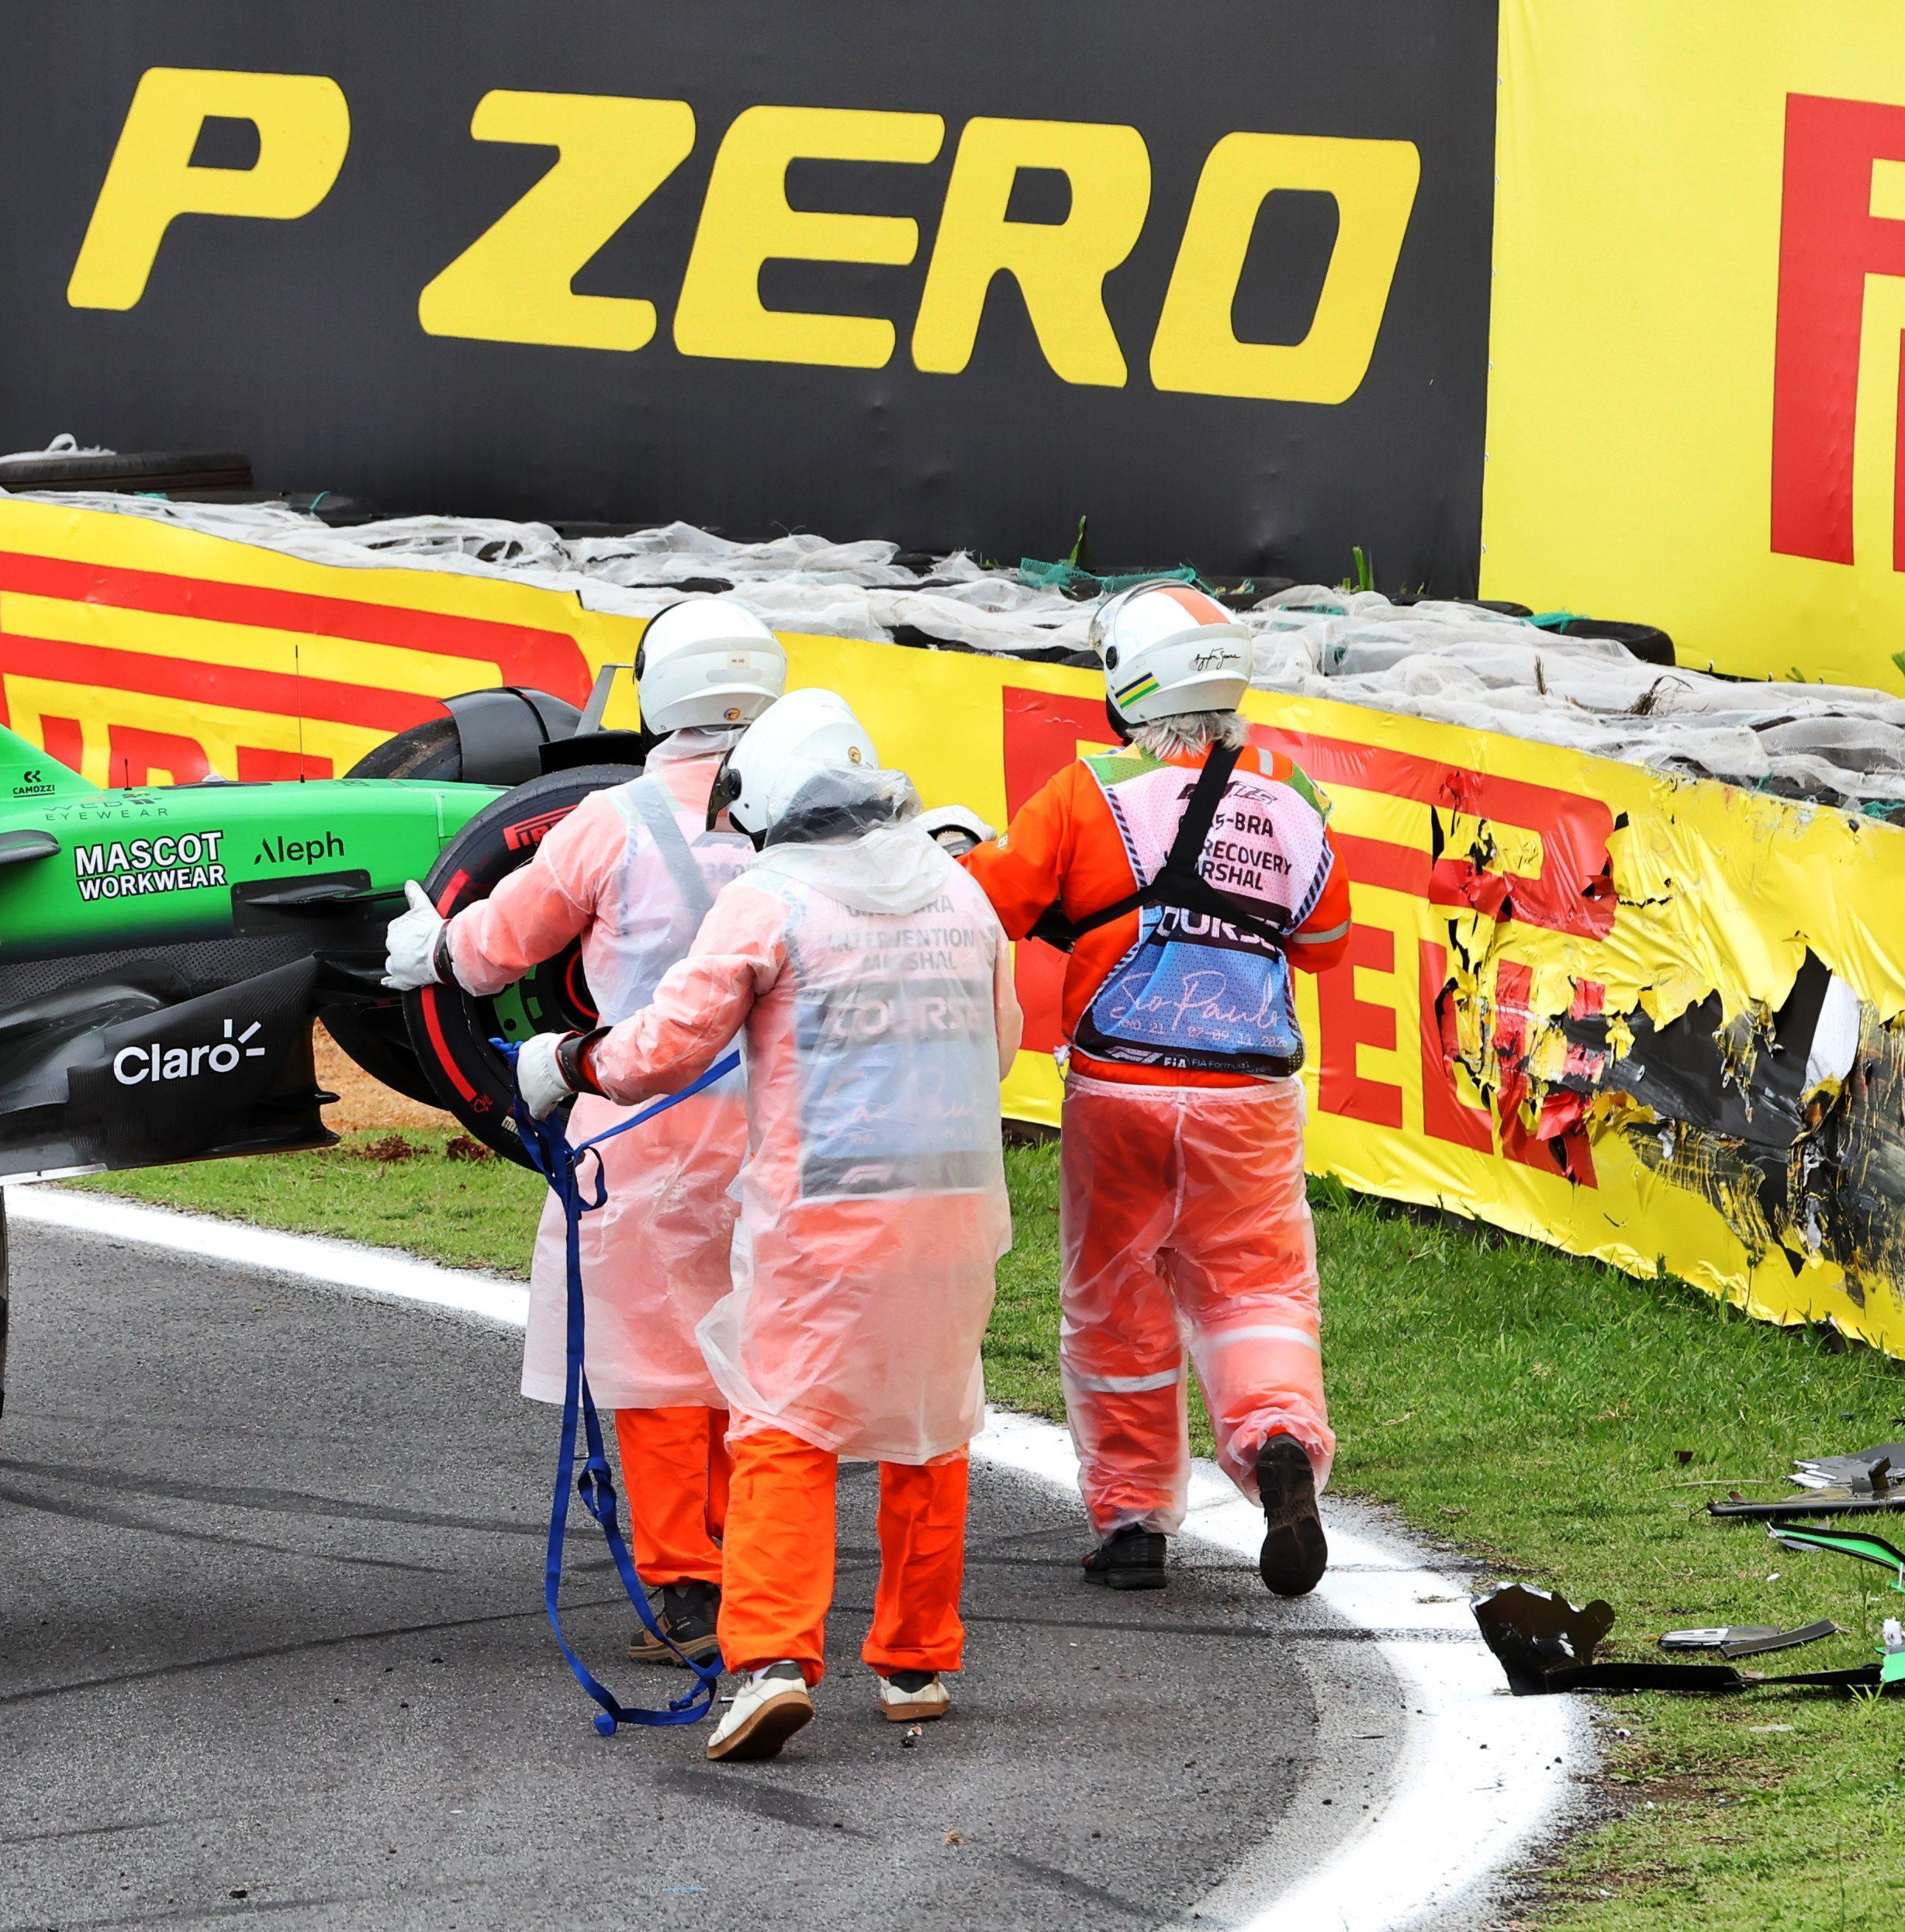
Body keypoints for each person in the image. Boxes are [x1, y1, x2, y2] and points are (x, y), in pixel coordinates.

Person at [515, 692, 1018, 1763]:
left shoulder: (773, 901)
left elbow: (662, 1045)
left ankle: (770, 1659)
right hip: (957, 1211)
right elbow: (1001, 1046)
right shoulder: (959, 895)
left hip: (824, 1216)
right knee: (929, 1427)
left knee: (781, 1428)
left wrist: (566, 1061)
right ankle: (915, 1660)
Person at [379, 600, 785, 1664]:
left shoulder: (610, 821)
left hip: (640, 1118)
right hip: (789, 1125)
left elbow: (490, 953)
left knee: (653, 1363)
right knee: (765, 1350)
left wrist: (437, 943)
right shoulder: (814, 803)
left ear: (657, 694)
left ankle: (688, 1586)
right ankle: (767, 1567)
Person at [953, 581, 1347, 1599]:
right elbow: (1326, 944)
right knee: (1257, 1289)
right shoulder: (1295, 799)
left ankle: (1131, 1520)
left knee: (1114, 1297)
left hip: (1115, 1091)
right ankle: (1275, 1437)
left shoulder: (1087, 791)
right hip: (1249, 1100)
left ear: (1125, 686)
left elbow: (993, 899)